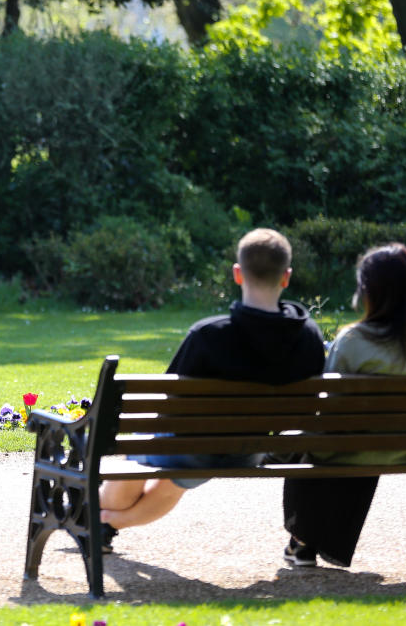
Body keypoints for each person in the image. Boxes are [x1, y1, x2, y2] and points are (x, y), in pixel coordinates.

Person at [98, 228, 325, 549]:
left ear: (237, 273)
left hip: (196, 448)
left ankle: (98, 518)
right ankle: (104, 523)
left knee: (145, 454)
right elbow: (309, 409)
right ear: (286, 277)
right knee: (173, 472)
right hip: (251, 452)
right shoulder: (310, 338)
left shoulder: (209, 335)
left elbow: (167, 404)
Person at [282, 242, 406, 567]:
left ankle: (303, 540)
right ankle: (318, 543)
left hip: (348, 448)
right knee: (360, 440)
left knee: (322, 443)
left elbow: (326, 412)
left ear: (369, 292)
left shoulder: (352, 340)